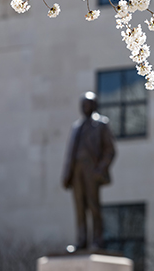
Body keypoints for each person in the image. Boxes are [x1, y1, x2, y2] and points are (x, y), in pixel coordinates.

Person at [62, 91, 116, 250]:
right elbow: (70, 152)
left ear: (94, 105)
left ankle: (97, 241)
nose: (85, 107)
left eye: (88, 104)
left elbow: (110, 150)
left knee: (94, 206)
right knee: (79, 206)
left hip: (92, 170)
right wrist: (67, 174)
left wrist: (100, 169)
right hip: (77, 170)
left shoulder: (101, 124)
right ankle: (81, 240)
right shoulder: (76, 127)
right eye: (83, 104)